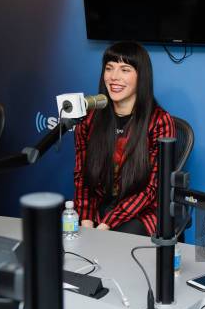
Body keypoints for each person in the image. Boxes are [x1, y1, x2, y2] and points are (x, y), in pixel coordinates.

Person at [74, 41, 175, 236]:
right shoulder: (89, 118)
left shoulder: (160, 121)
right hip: (101, 207)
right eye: (109, 68)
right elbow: (82, 177)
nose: (114, 77)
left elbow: (152, 189)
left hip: (143, 211)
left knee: (115, 243)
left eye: (125, 69)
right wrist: (85, 220)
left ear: (141, 76)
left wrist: (105, 226)